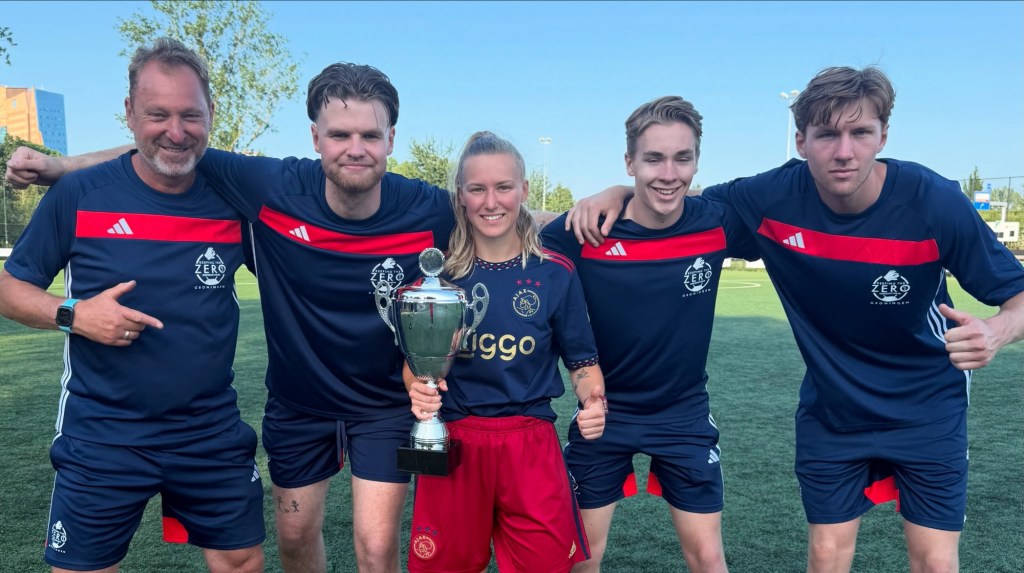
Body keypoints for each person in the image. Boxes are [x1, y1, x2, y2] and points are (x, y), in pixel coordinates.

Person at [7, 62, 559, 573]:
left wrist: (597, 207)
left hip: (383, 403)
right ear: (316, 138)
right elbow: (168, 145)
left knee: (375, 546)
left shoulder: (427, 207)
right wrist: (62, 167)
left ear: (391, 139)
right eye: (339, 135)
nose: (356, 149)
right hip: (299, 403)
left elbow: (502, 211)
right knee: (293, 538)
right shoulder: (271, 187)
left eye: (370, 136)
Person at [568, 67, 1024, 573]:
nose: (844, 151)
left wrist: (997, 331)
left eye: (861, 132)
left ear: (883, 137)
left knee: (935, 561)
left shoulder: (933, 201)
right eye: (827, 134)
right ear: (802, 141)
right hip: (832, 413)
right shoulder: (768, 199)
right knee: (826, 556)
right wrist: (618, 193)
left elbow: (1018, 296)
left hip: (928, 408)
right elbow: (672, 200)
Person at [0, 38, 265, 573]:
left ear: (211, 114)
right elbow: (8, 288)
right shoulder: (80, 194)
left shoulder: (234, 199)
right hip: (103, 432)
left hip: (208, 429)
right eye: (157, 114)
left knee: (241, 560)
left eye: (190, 115)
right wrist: (74, 314)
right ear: (128, 112)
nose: (176, 131)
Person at [539, 97, 757, 573]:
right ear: (630, 161)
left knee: (708, 556)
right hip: (603, 412)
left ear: (697, 161)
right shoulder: (588, 230)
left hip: (683, 413)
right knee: (580, 558)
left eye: (682, 158)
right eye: (654, 159)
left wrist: (618, 190)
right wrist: (611, 195)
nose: (669, 173)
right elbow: (518, 239)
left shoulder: (716, 222)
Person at [402, 131, 607, 573]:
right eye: (477, 189)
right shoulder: (438, 280)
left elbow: (583, 364)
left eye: (503, 187)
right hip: (456, 441)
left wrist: (593, 402)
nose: (491, 201)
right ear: (461, 196)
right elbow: (415, 367)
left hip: (530, 443)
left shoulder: (556, 273)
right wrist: (418, 389)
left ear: (524, 190)